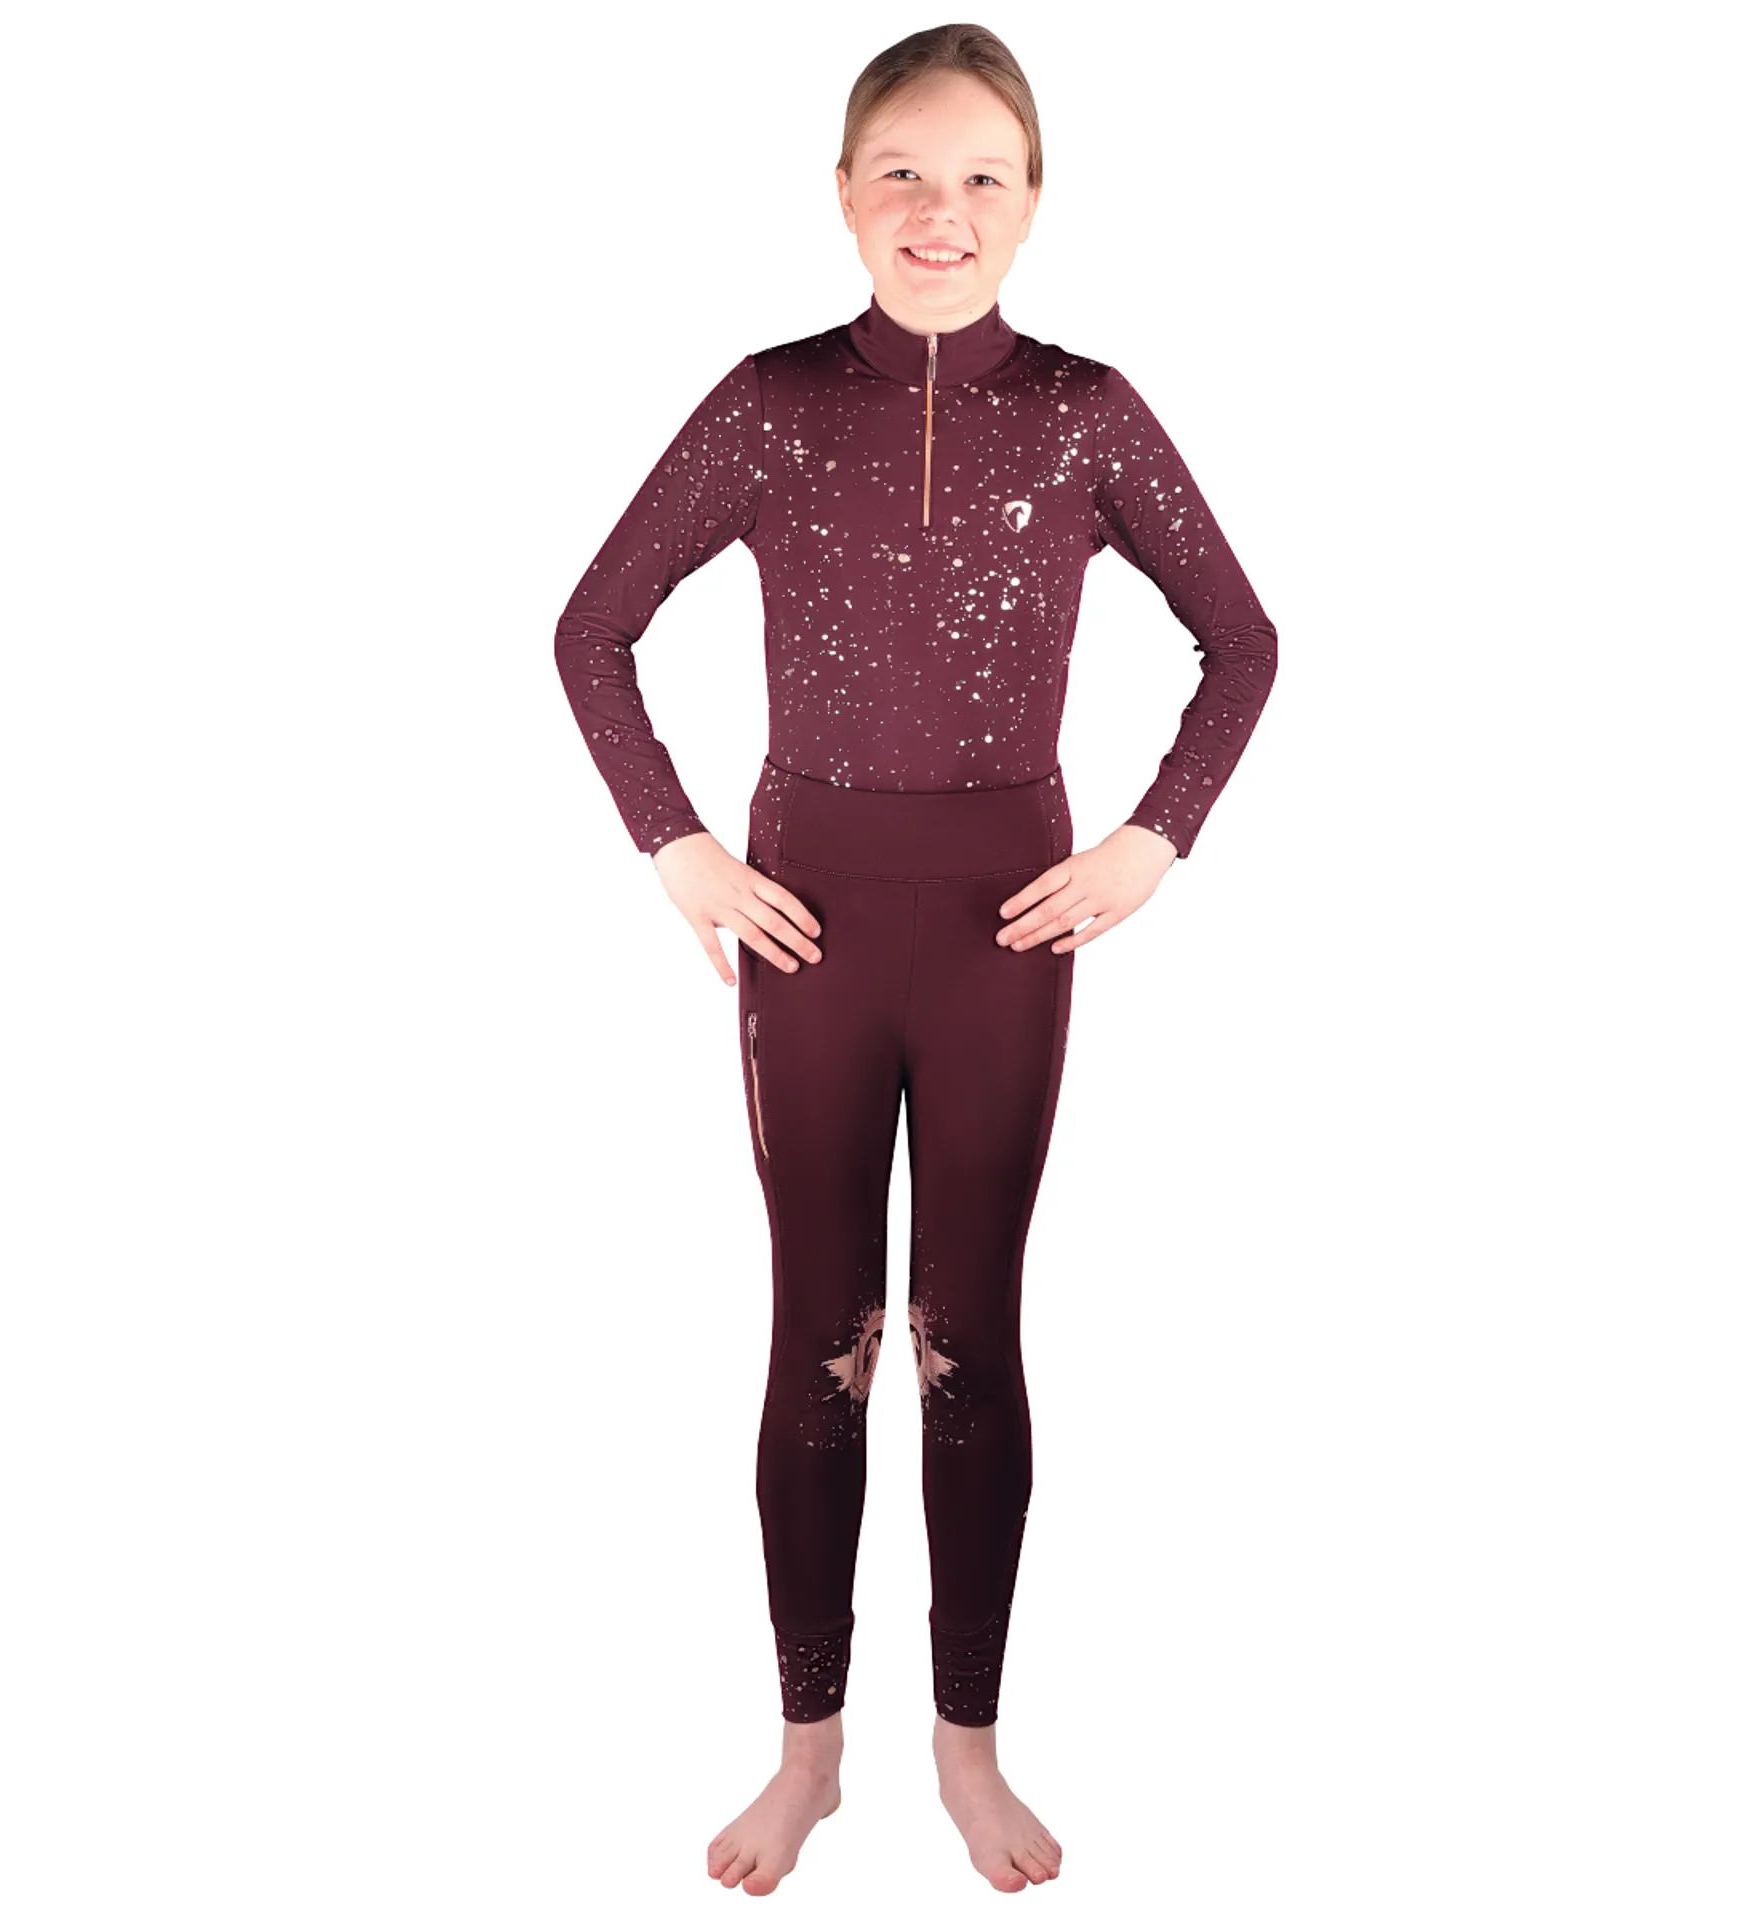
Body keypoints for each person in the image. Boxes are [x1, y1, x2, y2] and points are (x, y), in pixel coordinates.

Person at [552, 24, 1278, 1897]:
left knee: (967, 1334)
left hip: (1002, 922)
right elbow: (591, 630)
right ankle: (810, 1753)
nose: (938, 213)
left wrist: (1153, 836)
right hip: (806, 917)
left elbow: (1245, 641)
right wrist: (679, 846)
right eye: (902, 173)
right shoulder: (771, 402)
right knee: (821, 1324)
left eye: (980, 179)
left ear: (1034, 205)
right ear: (841, 195)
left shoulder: (1089, 410)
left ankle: (967, 1745)